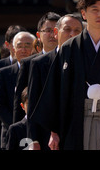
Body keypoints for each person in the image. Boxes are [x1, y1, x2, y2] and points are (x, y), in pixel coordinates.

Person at [32, 0, 100, 150]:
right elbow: (55, 90)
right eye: (94, 9)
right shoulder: (69, 48)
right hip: (75, 119)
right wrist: (54, 131)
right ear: (84, 13)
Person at [28, 13, 83, 150]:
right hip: (46, 138)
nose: (72, 34)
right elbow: (32, 104)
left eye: (77, 31)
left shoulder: (85, 61)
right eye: (67, 29)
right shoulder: (39, 63)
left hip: (78, 133)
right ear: (56, 32)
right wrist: (33, 139)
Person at [13, 12, 60, 123]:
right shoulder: (29, 63)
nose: (53, 35)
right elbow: (19, 100)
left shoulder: (68, 60)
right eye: (48, 31)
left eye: (56, 31)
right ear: (38, 35)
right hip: (36, 124)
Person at [0, 31, 36, 149]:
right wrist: (17, 126)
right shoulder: (3, 73)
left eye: (27, 45)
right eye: (19, 46)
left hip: (38, 132)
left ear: (35, 47)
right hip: (10, 132)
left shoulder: (41, 68)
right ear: (12, 48)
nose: (23, 49)